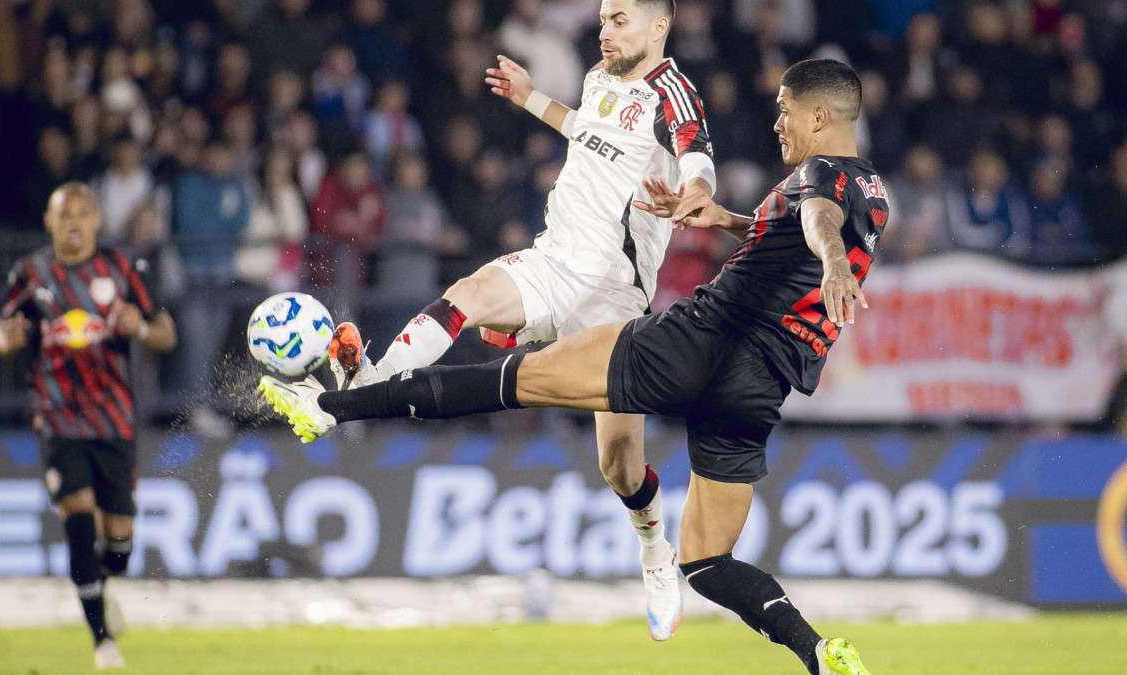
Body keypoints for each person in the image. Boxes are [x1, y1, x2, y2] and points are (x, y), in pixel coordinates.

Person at [261, 58, 881, 675]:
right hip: (755, 388)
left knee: (506, 384)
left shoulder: (817, 176)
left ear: (819, 115)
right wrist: (730, 221)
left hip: (696, 344)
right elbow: (802, 226)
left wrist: (829, 263)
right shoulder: (874, 196)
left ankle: (330, 407)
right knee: (708, 562)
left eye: (785, 109)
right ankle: (819, 653)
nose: (777, 121)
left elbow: (816, 220)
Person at [326, 0, 714, 642]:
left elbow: (696, 153)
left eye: (620, 19)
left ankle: (655, 554)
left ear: (658, 26)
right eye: (603, 17)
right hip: (552, 260)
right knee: (469, 293)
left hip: (614, 298)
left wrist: (696, 192)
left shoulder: (672, 90)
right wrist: (533, 98)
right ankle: (369, 379)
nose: (606, 28)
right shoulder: (596, 78)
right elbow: (588, 133)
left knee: (619, 465)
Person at [0, 183, 177, 670]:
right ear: (49, 224)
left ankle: (105, 576)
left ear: (96, 221)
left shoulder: (122, 269)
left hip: (114, 418)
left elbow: (166, 332)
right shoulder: (29, 274)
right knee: (76, 512)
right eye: (62, 215)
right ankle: (101, 642)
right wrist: (3, 339)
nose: (72, 222)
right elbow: (0, 329)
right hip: (56, 416)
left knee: (119, 544)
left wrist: (137, 326)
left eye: (81, 213)